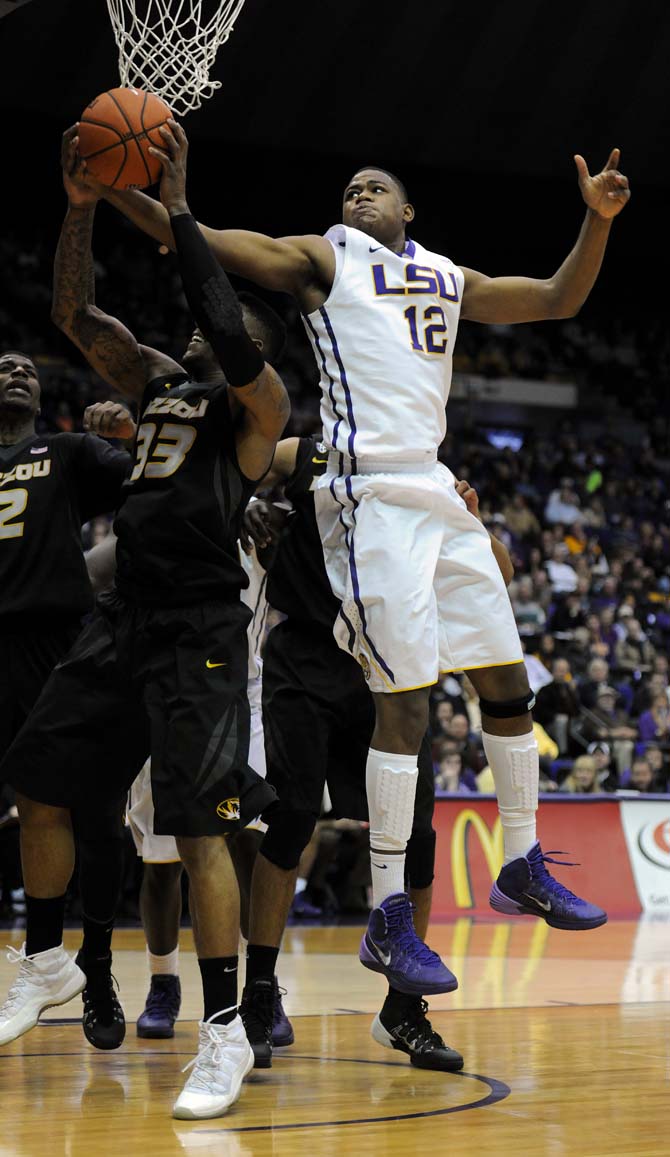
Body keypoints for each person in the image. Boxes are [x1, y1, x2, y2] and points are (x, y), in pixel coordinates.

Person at [100, 128, 629, 971]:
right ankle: (387, 914)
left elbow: (559, 297)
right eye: (349, 187)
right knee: (407, 701)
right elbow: (198, 243)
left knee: (505, 678)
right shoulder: (326, 258)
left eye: (375, 187)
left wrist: (597, 220)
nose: (358, 194)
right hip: (368, 492)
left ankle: (522, 861)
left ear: (408, 210)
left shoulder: (447, 276)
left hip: (433, 484)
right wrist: (144, 197)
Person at [0, 126, 289, 1122]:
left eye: (230, 322)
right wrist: (79, 198)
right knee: (36, 779)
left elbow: (226, 316)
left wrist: (178, 207)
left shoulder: (256, 408)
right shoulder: (164, 390)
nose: (209, 327)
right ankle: (43, 960)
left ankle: (223, 1029)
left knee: (199, 832)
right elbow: (76, 314)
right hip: (121, 617)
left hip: (200, 626)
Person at [237, 435, 464, 1072]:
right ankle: (259, 992)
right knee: (291, 817)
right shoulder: (300, 451)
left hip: (387, 665)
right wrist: (249, 502)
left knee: (415, 833)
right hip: (305, 655)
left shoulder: (422, 469)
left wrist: (465, 515)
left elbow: (493, 564)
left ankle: (402, 1007)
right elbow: (230, 467)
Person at [0, 353, 133, 1050]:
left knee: (95, 817)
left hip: (61, 644)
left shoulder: (66, 449)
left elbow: (153, 483)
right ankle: (43, 961)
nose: (18, 371)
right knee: (27, 813)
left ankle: (96, 963)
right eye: (3, 365)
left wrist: (133, 431)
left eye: (27, 366)